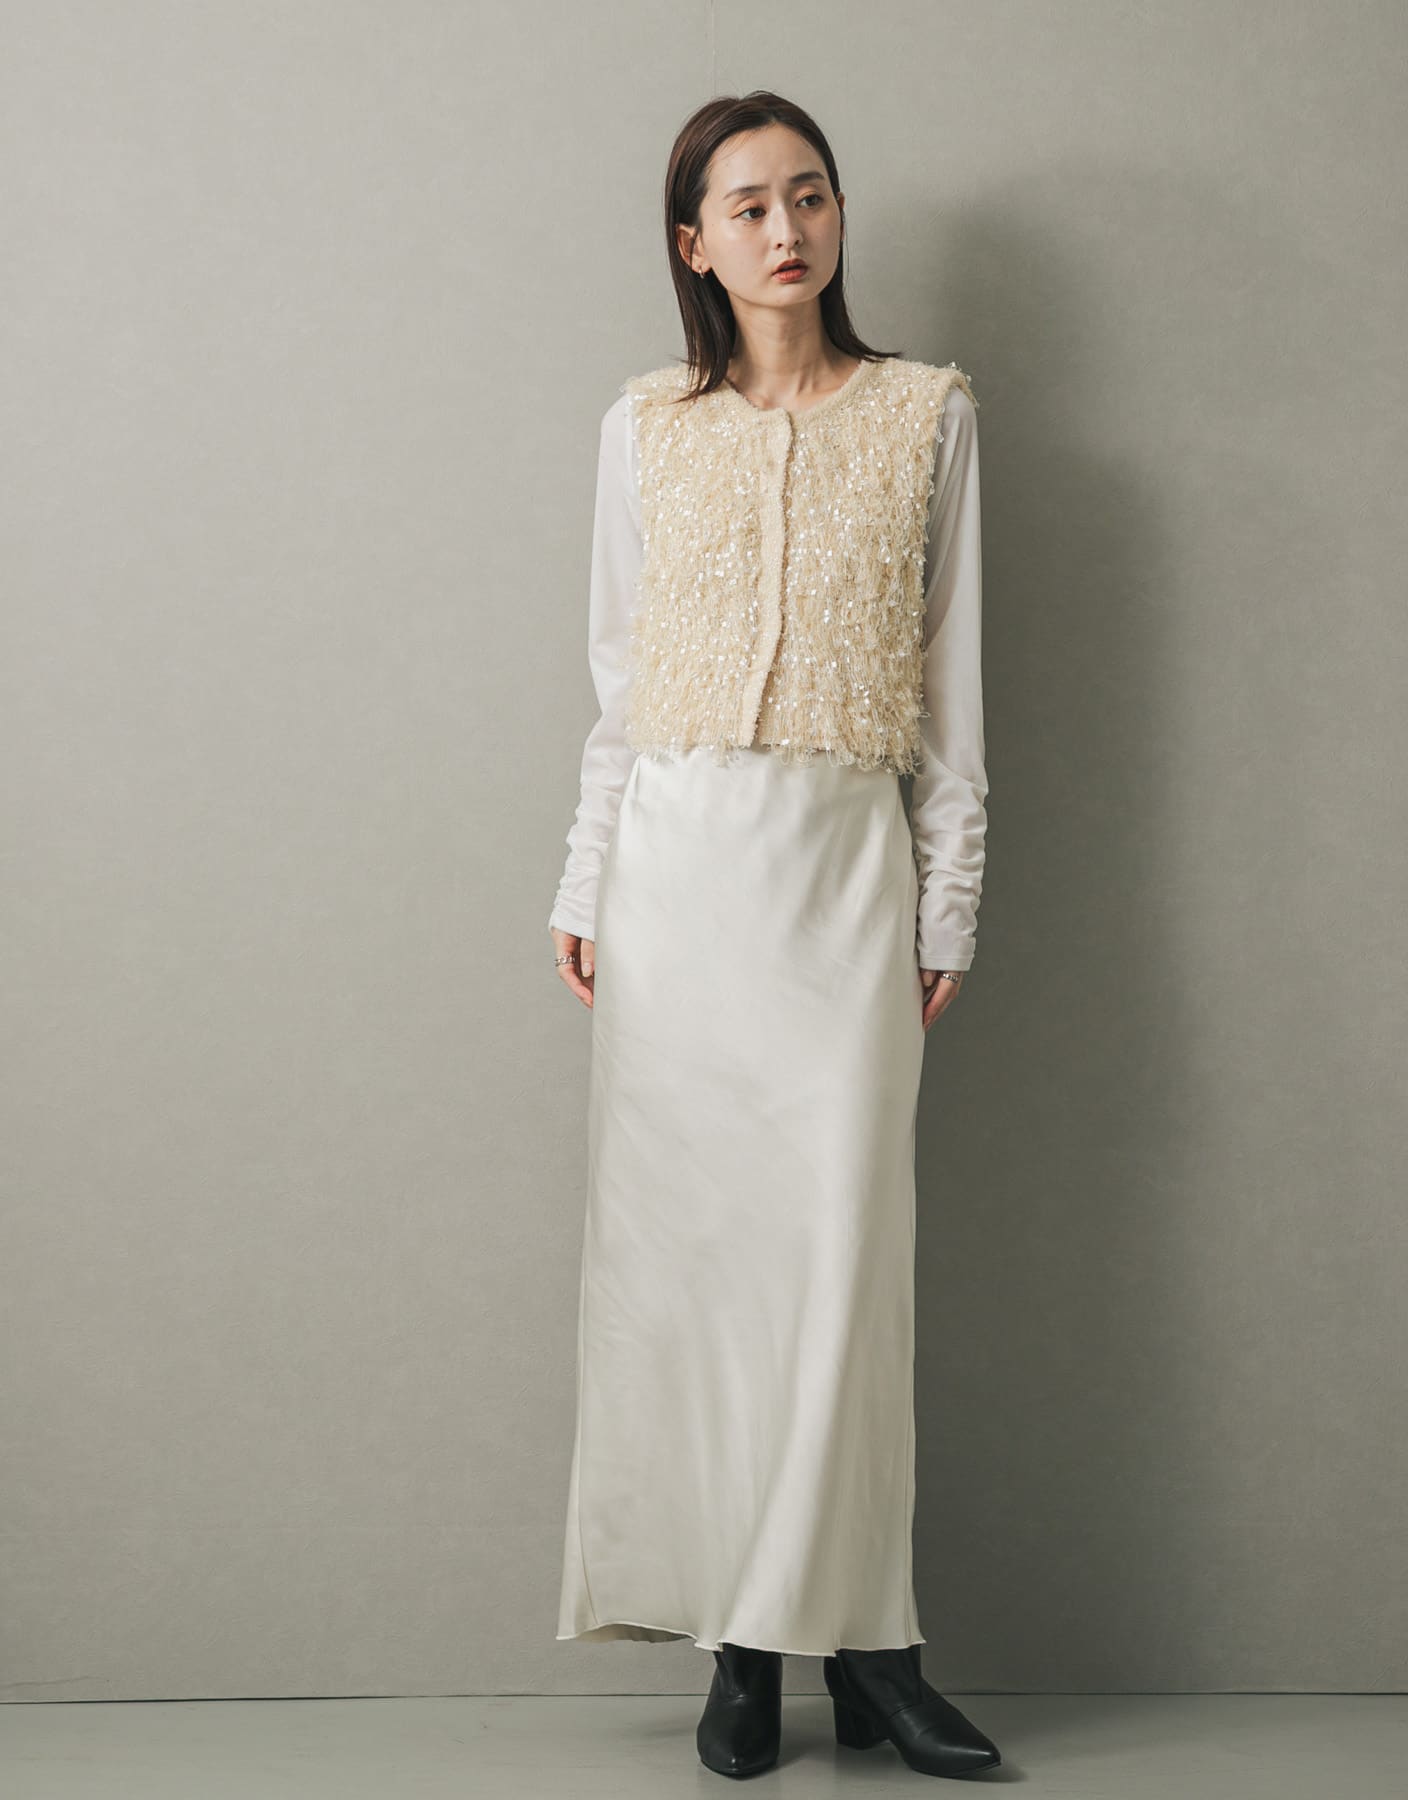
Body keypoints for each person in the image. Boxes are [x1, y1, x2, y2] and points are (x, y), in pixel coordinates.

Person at [547, 91, 1000, 1781]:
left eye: (809, 196)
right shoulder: (645, 426)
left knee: (842, 1271)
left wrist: (949, 898)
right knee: (695, 1269)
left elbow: (954, 691)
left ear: (837, 217)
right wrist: (586, 880)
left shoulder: (928, 414)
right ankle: (744, 1652)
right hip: (677, 879)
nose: (785, 229)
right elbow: (617, 684)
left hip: (841, 876)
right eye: (746, 206)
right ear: (695, 243)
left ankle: (870, 1647)